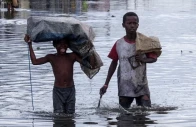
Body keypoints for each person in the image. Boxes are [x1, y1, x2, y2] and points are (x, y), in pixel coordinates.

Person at [99, 12, 159, 108]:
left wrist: (144, 59)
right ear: (123, 25)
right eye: (129, 23)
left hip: (141, 85)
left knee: (144, 114)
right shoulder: (119, 44)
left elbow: (154, 58)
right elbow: (113, 64)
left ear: (138, 25)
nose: (132, 26)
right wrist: (106, 84)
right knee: (124, 117)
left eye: (134, 23)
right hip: (125, 86)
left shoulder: (144, 42)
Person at [24, 35, 94, 114]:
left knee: (70, 114)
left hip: (70, 90)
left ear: (68, 45)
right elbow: (35, 62)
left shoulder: (72, 56)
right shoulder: (51, 57)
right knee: (58, 114)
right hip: (58, 91)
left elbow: (89, 65)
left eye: (64, 43)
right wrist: (30, 45)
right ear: (55, 45)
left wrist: (90, 49)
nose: (62, 46)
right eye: (59, 44)